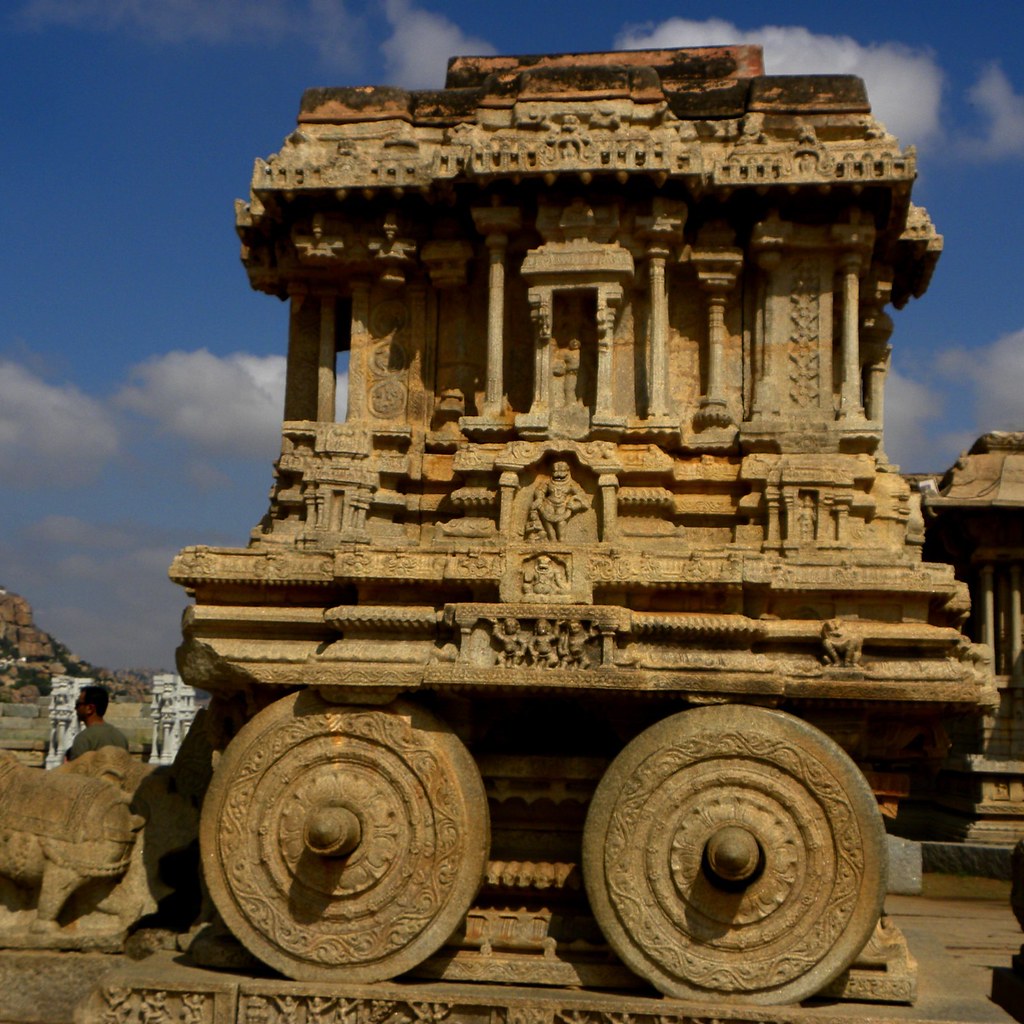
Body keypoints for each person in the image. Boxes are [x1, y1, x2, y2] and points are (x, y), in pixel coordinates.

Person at [67, 684, 129, 760]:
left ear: (90, 708)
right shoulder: (120, 738)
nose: (75, 708)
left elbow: (76, 770)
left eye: (78, 704)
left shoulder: (83, 739)